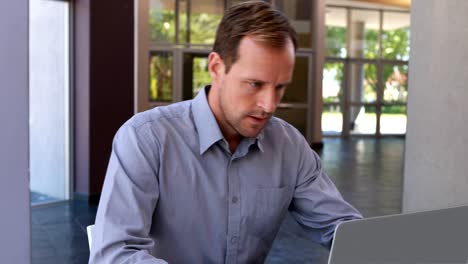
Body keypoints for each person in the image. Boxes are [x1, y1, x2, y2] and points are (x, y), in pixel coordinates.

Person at [89, 1, 362, 263]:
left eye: (280, 87)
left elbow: (342, 229)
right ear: (216, 67)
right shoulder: (145, 139)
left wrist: (378, 249)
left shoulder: (290, 146)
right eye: (255, 84)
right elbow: (114, 255)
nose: (269, 105)